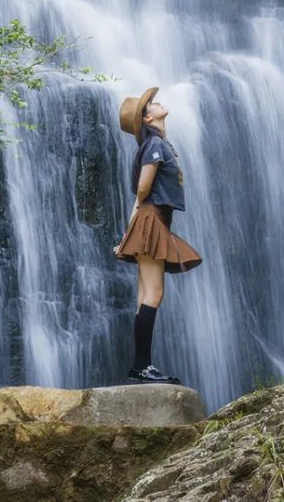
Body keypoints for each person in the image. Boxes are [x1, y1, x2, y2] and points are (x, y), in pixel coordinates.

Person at [114, 86, 202, 384]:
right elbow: (142, 189)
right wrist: (133, 231)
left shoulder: (157, 143)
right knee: (154, 293)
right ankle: (142, 366)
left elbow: (140, 197)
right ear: (148, 118)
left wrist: (128, 235)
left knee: (144, 296)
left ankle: (140, 366)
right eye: (151, 104)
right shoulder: (155, 145)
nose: (157, 102)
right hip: (152, 220)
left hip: (151, 221)